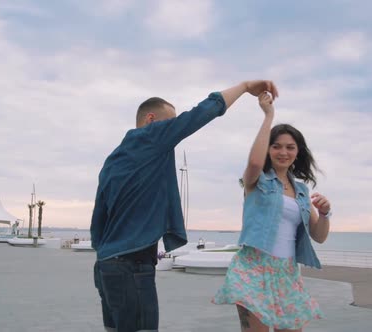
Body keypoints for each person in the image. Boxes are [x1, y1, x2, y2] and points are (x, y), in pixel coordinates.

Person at [91, 80, 279, 332]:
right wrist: (245, 87)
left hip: (105, 267)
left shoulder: (112, 161)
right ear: (150, 120)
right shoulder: (152, 138)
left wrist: (105, 255)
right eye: (169, 122)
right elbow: (203, 112)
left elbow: (98, 222)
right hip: (131, 265)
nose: (172, 131)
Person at [213, 93, 332, 332]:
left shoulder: (300, 190)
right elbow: (255, 163)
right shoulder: (256, 182)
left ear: (298, 152)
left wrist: (326, 214)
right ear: (267, 149)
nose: (283, 152)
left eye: (290, 147)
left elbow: (319, 236)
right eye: (276, 146)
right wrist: (268, 116)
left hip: (287, 273)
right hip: (253, 269)